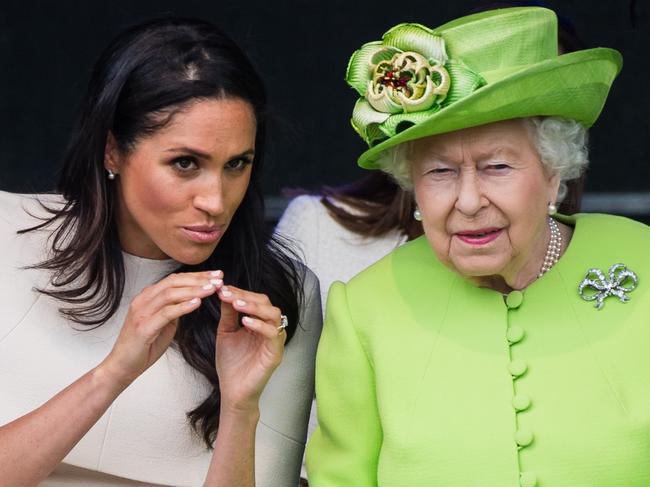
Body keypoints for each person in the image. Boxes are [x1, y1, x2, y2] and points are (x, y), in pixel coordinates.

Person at [306, 7, 649, 487]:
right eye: (440, 171)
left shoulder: (645, 263)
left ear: (554, 174)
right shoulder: (363, 308)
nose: (467, 201)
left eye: (497, 167)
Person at [0, 17, 321, 487]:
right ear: (113, 151)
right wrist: (114, 372)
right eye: (185, 163)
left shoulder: (276, 296)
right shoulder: (9, 232)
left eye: (237, 164)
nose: (215, 200)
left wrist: (239, 408)